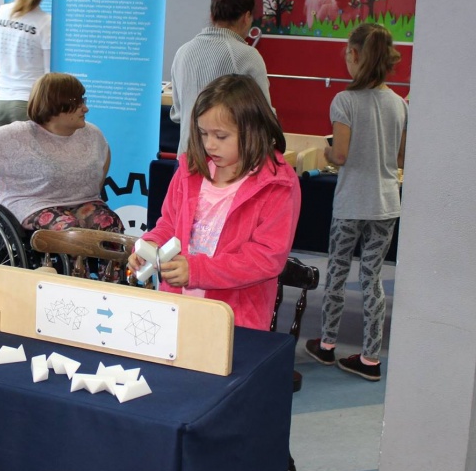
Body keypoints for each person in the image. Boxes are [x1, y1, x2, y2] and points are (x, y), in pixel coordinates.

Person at [131, 74, 300, 330]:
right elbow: (169, 224)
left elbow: (266, 258)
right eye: (203, 133)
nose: (210, 145)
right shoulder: (190, 171)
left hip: (235, 319)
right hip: (177, 308)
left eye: (221, 136)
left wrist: (197, 271)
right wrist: (150, 245)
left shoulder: (277, 184)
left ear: (252, 130)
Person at [304, 23, 407, 381]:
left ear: (354, 55)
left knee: (337, 272)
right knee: (372, 277)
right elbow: (400, 157)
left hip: (350, 203)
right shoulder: (400, 104)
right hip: (386, 202)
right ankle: (370, 358)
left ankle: (327, 344)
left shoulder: (344, 101)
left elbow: (341, 154)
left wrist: (326, 152)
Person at [0, 72, 122, 233]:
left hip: (82, 203)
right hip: (32, 204)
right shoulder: (19, 134)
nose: (85, 108)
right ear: (56, 105)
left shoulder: (92, 133)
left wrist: (91, 194)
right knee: (70, 232)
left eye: (83, 101)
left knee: (110, 224)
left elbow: (104, 155)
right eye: (78, 103)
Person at [170, 0, 272, 154]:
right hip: (226, 161)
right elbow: (264, 118)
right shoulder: (247, 55)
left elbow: (177, 114)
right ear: (246, 17)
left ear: (212, 15)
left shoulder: (182, 52)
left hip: (186, 158)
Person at [0, 0, 52, 128]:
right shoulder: (46, 23)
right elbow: (48, 76)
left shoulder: (2, 12)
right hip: (29, 105)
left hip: (0, 103)